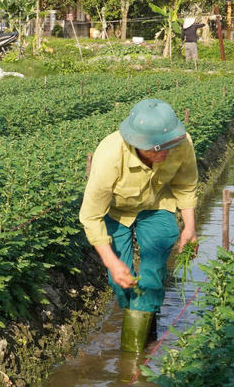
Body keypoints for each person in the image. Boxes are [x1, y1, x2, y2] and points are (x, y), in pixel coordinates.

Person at [79, 99, 198, 354]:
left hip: (157, 205)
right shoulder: (110, 155)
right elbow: (91, 216)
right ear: (137, 144)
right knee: (120, 280)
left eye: (168, 144)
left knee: (152, 273)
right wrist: (112, 262)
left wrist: (190, 227)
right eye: (157, 149)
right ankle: (137, 313)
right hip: (115, 213)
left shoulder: (181, 143)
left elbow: (186, 186)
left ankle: (137, 350)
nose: (164, 152)